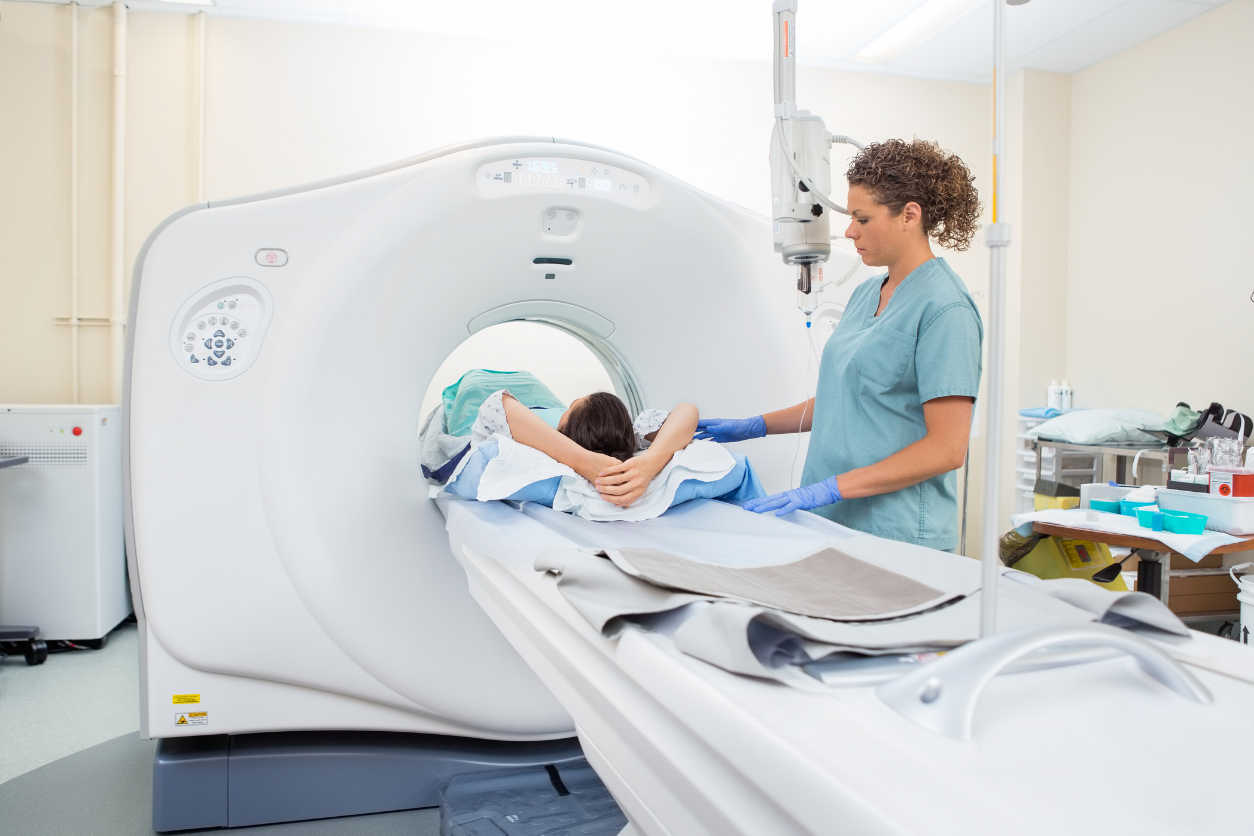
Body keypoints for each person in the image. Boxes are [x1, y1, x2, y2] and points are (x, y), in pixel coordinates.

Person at [697, 139, 983, 551]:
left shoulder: (946, 309)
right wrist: (755, 426)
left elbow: (946, 449)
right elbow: (844, 399)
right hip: (831, 520)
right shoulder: (868, 292)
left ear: (909, 215)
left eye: (862, 218)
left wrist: (828, 489)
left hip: (895, 533)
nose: (850, 231)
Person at [449, 373, 699, 508]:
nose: (564, 410)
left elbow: (498, 403)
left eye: (568, 408)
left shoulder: (541, 442)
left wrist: (649, 465)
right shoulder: (628, 436)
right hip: (535, 402)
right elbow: (687, 410)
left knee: (471, 382)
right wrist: (585, 460)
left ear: (565, 428)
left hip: (482, 389)